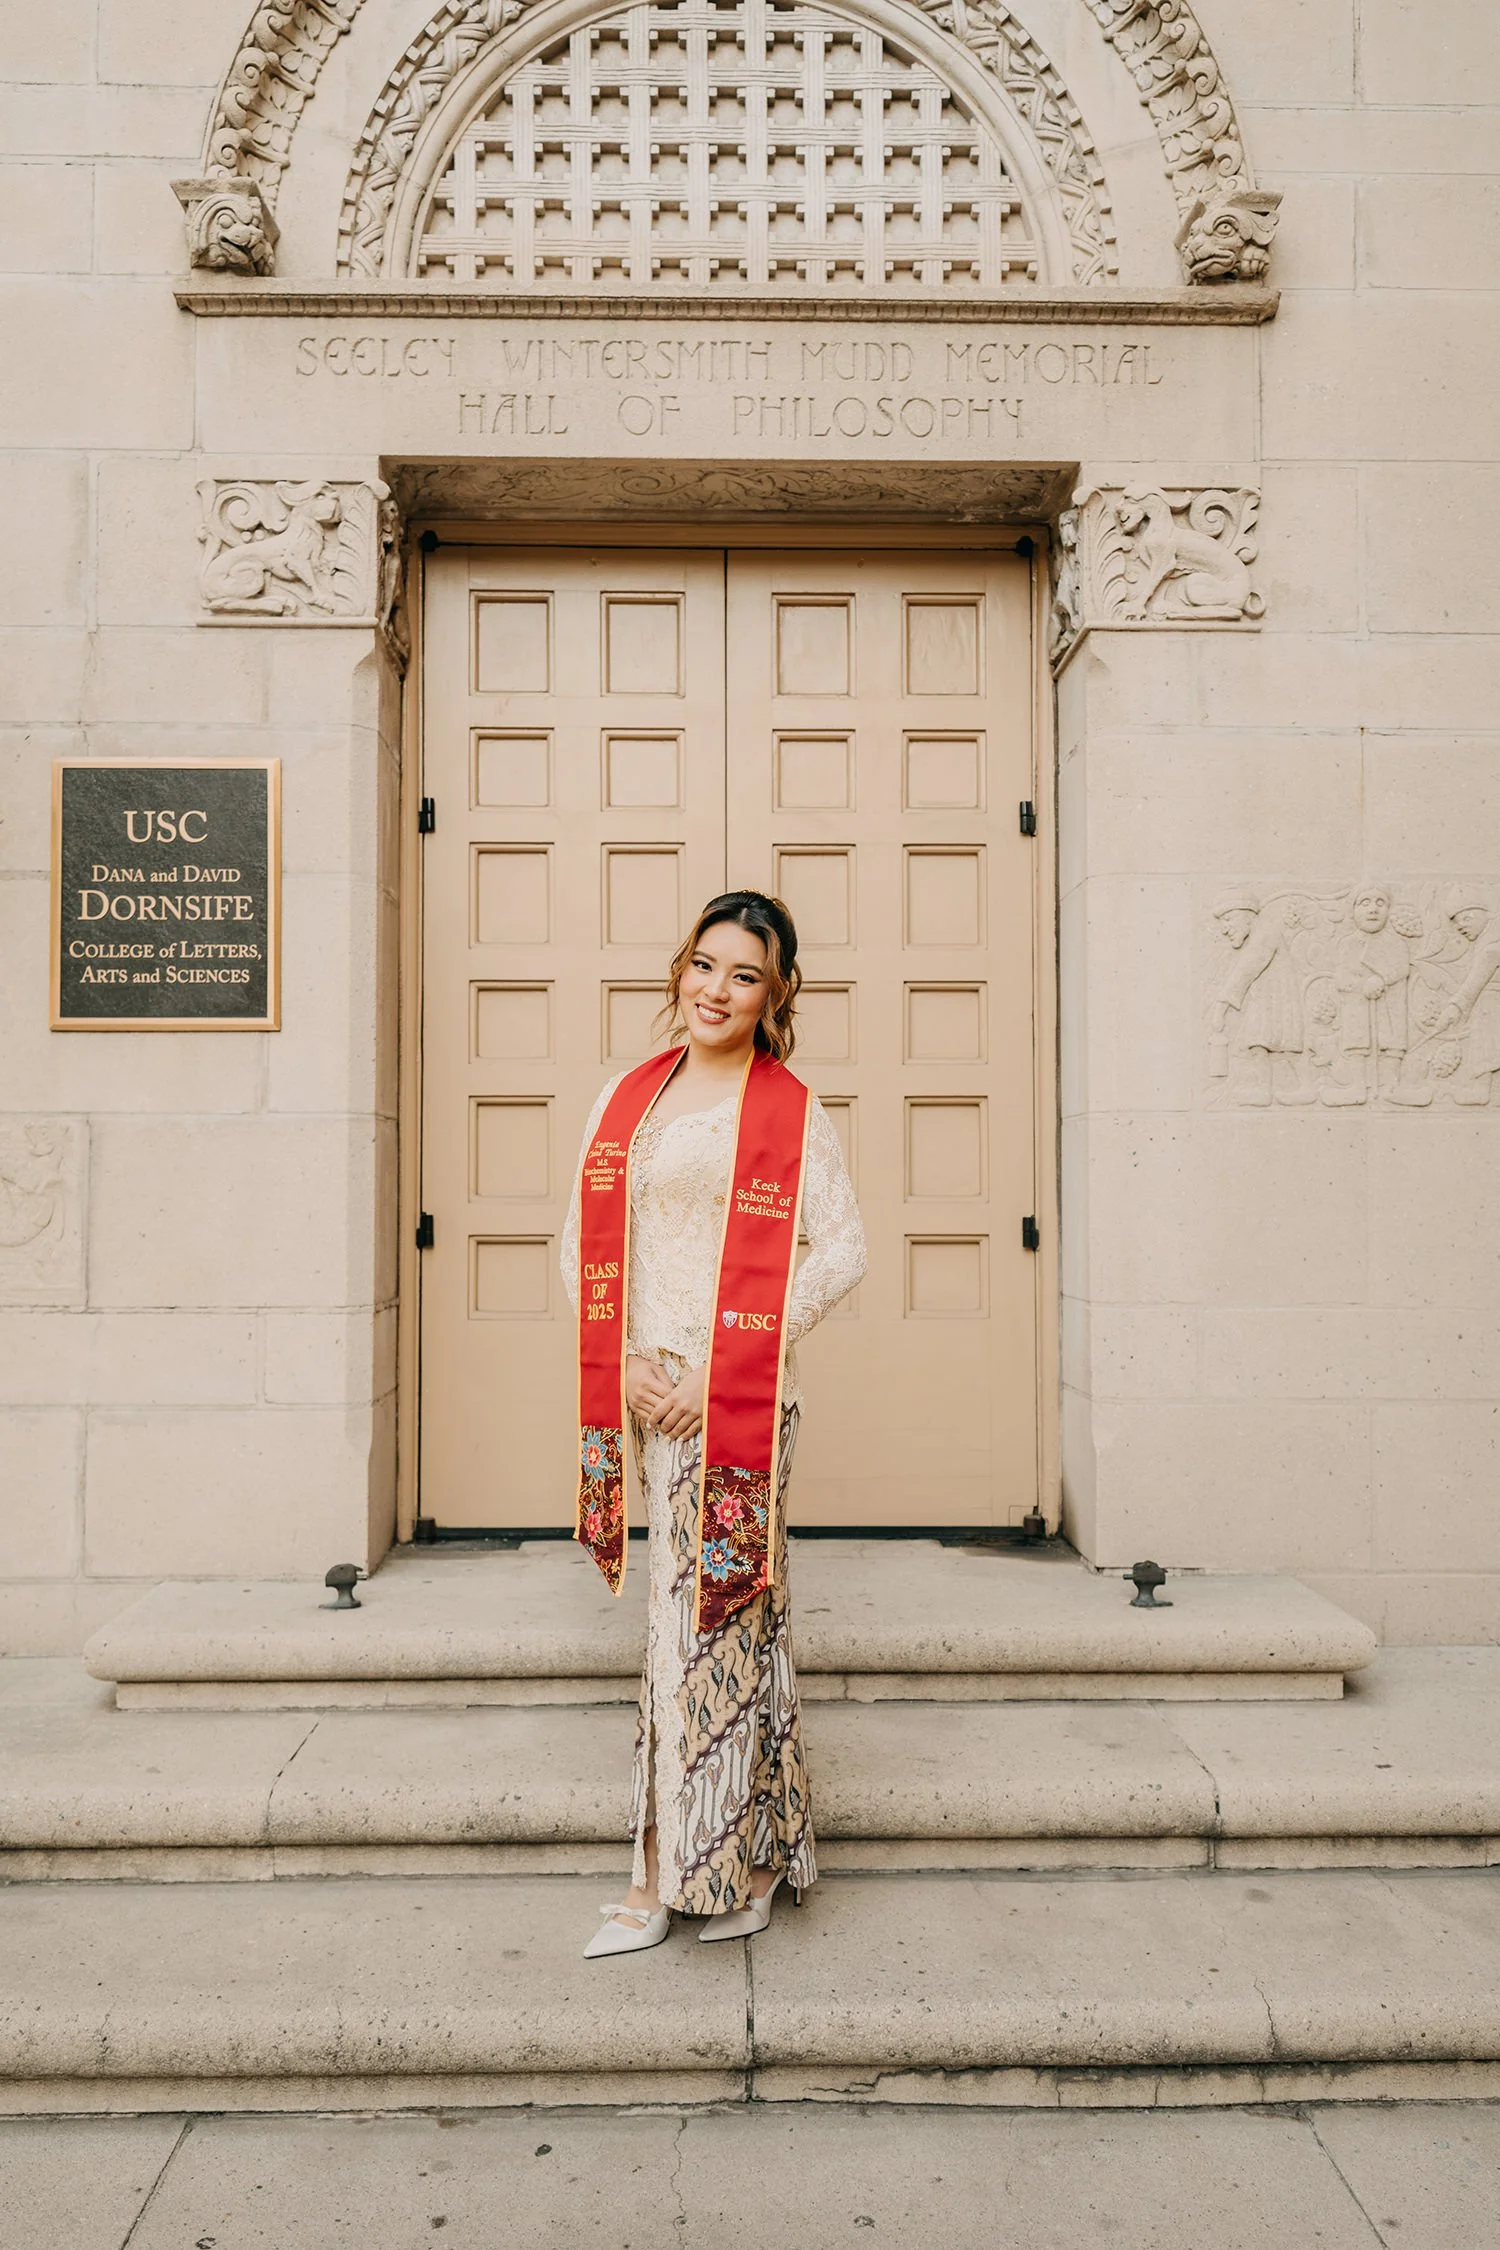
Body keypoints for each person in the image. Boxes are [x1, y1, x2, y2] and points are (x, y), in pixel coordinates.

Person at [561, 892, 866, 1959]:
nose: (716, 990)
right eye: (704, 964)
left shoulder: (785, 1109)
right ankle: (759, 1854)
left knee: (700, 1628)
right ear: (679, 970)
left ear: (774, 994)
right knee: (732, 1623)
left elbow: (841, 1250)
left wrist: (734, 1361)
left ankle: (665, 1873)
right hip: (649, 1398)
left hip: (732, 1399)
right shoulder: (631, 1100)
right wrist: (629, 1358)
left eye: (744, 975)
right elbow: (579, 1242)